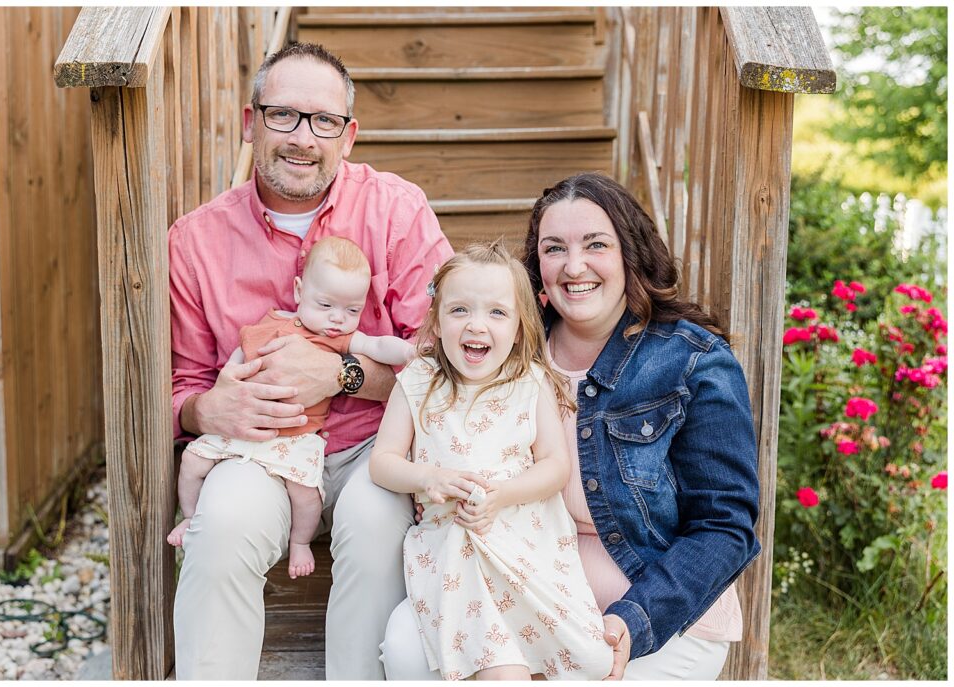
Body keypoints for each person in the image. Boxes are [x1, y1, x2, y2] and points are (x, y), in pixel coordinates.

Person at [380, 172, 761, 680]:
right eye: (554, 248)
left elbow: (725, 526)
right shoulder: (505, 345)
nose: (574, 266)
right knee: (405, 643)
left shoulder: (691, 361)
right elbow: (424, 391)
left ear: (630, 252)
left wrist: (637, 618)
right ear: (536, 266)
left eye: (595, 244)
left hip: (649, 612)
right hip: (514, 587)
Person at [169, 42, 453, 679]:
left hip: (371, 447)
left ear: (347, 136)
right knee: (223, 524)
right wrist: (205, 410)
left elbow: (448, 361)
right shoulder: (194, 242)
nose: (303, 138)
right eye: (283, 115)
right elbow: (179, 384)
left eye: (323, 120)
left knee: (378, 525)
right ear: (251, 123)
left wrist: (343, 375)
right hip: (256, 452)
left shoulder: (396, 211)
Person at [370, 243, 614, 680]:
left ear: (519, 328)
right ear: (437, 321)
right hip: (457, 546)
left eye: (497, 313)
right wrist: (427, 477)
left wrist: (503, 494)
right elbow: (383, 461)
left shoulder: (531, 381)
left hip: (525, 541)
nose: (476, 325)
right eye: (459, 310)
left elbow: (555, 465)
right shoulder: (419, 380)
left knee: (591, 660)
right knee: (501, 669)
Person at [167, 236, 416, 581]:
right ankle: (190, 517)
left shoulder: (338, 339)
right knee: (193, 461)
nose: (337, 318)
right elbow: (238, 360)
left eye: (352, 311)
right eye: (325, 305)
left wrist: (408, 352)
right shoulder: (268, 325)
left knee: (306, 494)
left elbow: (378, 346)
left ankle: (300, 542)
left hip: (297, 438)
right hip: (249, 432)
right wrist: (226, 389)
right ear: (299, 291)